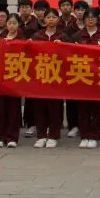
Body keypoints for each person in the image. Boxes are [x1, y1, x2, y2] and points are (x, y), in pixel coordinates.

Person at [71, 8, 100, 148]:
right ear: (84, 20)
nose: (90, 20)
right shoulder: (77, 35)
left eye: (93, 17)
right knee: (83, 108)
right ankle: (84, 135)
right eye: (88, 17)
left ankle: (94, 135)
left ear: (97, 19)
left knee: (96, 108)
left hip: (98, 76)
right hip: (82, 75)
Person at [30, 9, 66, 148]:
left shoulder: (63, 35)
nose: (51, 19)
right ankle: (41, 135)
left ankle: (53, 135)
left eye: (54, 17)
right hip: (40, 75)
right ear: (44, 20)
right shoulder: (37, 35)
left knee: (54, 108)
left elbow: (70, 55)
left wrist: (62, 46)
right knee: (39, 107)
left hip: (56, 77)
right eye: (48, 17)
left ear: (58, 19)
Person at [0, 13, 25, 148]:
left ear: (18, 25)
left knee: (13, 109)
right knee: (0, 109)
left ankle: (12, 137)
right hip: (0, 78)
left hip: (16, 79)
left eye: (14, 23)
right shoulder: (0, 40)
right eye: (9, 23)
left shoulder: (22, 40)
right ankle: (0, 137)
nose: (11, 26)